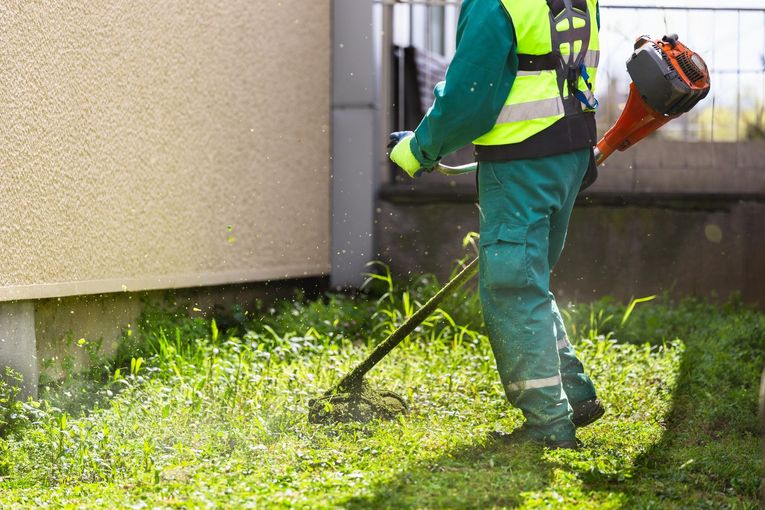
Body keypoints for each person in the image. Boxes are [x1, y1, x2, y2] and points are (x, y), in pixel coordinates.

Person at [389, 0, 605, 449]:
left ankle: (548, 425)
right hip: (569, 152)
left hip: (522, 161)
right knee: (530, 282)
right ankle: (575, 394)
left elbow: (471, 96)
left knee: (512, 288)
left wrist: (419, 149)